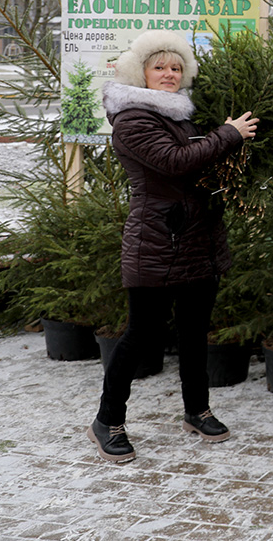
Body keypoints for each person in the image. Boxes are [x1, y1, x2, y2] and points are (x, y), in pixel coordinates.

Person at [87, 30, 258, 463]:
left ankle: (196, 410)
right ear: (140, 72)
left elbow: (206, 159)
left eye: (176, 67)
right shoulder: (133, 118)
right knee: (140, 335)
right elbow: (176, 161)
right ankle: (107, 421)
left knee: (195, 330)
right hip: (157, 241)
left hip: (198, 237)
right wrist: (230, 133)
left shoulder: (183, 115)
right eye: (159, 66)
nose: (168, 74)